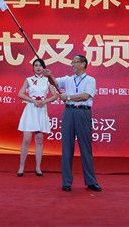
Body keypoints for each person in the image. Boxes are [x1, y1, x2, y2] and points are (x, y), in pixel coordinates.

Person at [44, 54, 102, 192]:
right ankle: (66, 182)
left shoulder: (90, 80)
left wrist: (68, 97)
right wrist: (49, 75)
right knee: (67, 147)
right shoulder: (68, 79)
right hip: (69, 112)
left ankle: (91, 181)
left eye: (75, 62)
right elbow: (55, 83)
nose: (72, 64)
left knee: (85, 147)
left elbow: (85, 96)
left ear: (83, 64)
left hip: (83, 112)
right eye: (72, 62)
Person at [17, 58, 59, 176]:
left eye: (40, 65)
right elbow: (20, 94)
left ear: (43, 68)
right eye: (36, 65)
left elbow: (55, 96)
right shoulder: (28, 80)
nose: (38, 67)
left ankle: (38, 167)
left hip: (41, 110)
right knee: (26, 139)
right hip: (30, 110)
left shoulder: (47, 81)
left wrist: (44, 101)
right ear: (33, 67)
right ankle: (21, 167)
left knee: (39, 140)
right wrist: (33, 101)